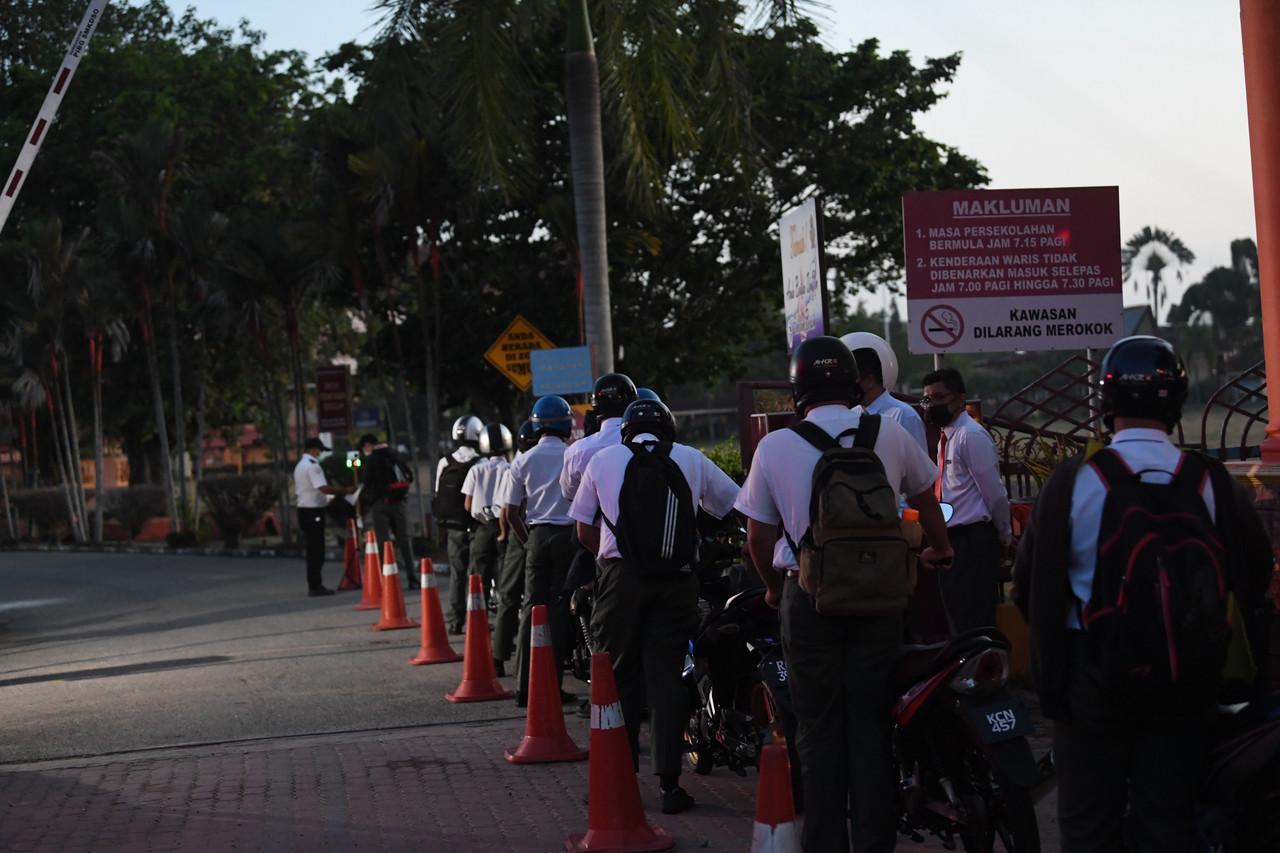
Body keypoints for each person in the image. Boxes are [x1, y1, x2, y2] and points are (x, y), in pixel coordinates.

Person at [1014, 336, 1274, 853]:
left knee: (1088, 827)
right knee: (1169, 824)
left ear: (1106, 404)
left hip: (1092, 680)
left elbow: (1029, 590)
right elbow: (1253, 575)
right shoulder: (1212, 482)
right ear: (1177, 402)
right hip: (1187, 680)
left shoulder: (1073, 483)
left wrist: (1056, 683)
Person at [735, 335, 952, 853]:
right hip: (880, 602)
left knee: (818, 732)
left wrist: (771, 590)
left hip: (807, 602)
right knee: (871, 727)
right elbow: (929, 502)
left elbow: (757, 540)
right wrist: (940, 550)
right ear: (854, 383)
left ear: (797, 389)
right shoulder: (893, 435)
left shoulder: (775, 446)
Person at [571, 398, 740, 815]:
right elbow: (735, 504)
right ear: (669, 428)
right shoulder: (690, 458)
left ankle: (617, 781)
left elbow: (581, 529)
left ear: (626, 430)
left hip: (620, 579)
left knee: (615, 679)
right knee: (666, 677)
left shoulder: (602, 459)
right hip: (676, 581)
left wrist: (609, 565)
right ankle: (669, 785)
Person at [922, 367, 1012, 633]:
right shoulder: (946, 436)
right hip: (952, 540)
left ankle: (984, 672)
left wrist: (1004, 536)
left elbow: (994, 493)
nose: (931, 405)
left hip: (973, 540)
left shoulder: (970, 436)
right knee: (958, 621)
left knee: (975, 622)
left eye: (939, 398)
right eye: (926, 399)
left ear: (960, 399)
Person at [505, 396, 577, 705]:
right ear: (564, 424)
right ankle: (553, 686)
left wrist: (527, 541)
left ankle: (524, 688)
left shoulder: (522, 459)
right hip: (569, 536)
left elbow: (510, 513)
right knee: (560, 612)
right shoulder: (574, 454)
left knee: (531, 611)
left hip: (536, 536)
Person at [493, 420, 537, 677]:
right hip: (535, 533)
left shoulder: (518, 464)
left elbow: (505, 513)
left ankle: (499, 657)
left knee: (510, 596)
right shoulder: (552, 458)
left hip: (519, 535)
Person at [433, 415, 482, 634]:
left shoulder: (444, 462)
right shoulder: (481, 462)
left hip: (453, 526)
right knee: (477, 574)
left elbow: (437, 494)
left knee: (457, 573)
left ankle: (455, 621)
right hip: (477, 524)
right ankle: (477, 618)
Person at [842, 331, 928, 452]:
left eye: (852, 381)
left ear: (869, 380)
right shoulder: (852, 415)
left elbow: (919, 467)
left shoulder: (904, 416)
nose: (847, 387)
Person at [560, 373, 637, 501]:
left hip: (593, 520)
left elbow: (569, 495)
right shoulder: (648, 443)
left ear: (595, 407)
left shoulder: (577, 451)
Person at [294, 437, 352, 597]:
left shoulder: (300, 465)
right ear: (313, 450)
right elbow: (324, 488)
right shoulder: (313, 467)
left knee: (312, 548)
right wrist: (344, 491)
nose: (320, 454)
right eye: (319, 451)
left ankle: (314, 583)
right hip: (313, 512)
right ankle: (315, 585)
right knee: (316, 550)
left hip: (304, 510)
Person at [463, 423, 513, 609]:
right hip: (504, 527)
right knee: (505, 576)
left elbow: (467, 505)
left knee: (480, 576)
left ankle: (479, 618)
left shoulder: (476, 470)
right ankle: (505, 618)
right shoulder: (510, 469)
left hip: (482, 527)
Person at [358, 434, 416, 589]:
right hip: (399, 504)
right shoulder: (395, 455)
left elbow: (366, 483)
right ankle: (412, 577)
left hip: (380, 505)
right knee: (404, 541)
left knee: (384, 543)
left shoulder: (372, 459)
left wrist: (368, 501)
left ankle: (389, 579)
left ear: (369, 445)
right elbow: (409, 476)